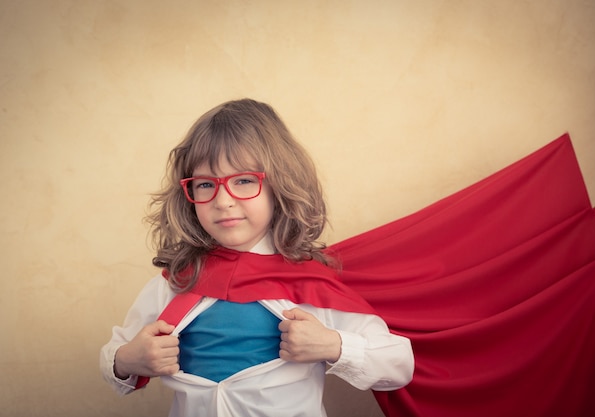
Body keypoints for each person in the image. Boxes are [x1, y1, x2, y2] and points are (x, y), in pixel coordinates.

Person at [100, 98, 414, 417]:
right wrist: (127, 360)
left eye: (244, 180)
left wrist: (334, 346)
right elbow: (116, 356)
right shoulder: (175, 282)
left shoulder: (310, 285)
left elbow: (399, 364)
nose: (223, 201)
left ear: (279, 185)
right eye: (206, 184)